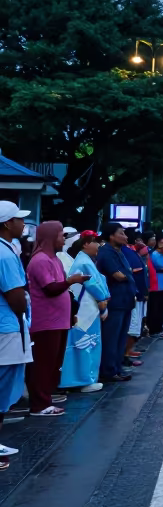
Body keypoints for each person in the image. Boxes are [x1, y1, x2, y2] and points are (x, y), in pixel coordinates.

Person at [24, 222, 90, 417]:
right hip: (46, 322)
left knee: (53, 363)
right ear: (52, 238)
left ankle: (46, 398)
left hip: (58, 320)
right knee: (43, 363)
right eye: (61, 235)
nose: (64, 239)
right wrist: (71, 281)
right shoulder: (41, 260)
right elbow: (50, 288)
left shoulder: (55, 259)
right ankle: (39, 404)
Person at [0, 201, 33, 469]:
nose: (23, 224)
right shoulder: (6, 254)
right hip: (7, 327)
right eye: (18, 219)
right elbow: (15, 296)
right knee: (4, 383)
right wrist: (23, 307)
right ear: (6, 224)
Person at [62, 232, 108, 393]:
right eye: (95, 242)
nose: (98, 246)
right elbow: (94, 284)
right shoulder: (83, 261)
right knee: (87, 343)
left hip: (87, 305)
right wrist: (104, 299)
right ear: (85, 244)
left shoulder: (83, 260)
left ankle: (81, 378)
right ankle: (85, 379)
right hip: (86, 306)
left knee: (82, 342)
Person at [97, 224, 137, 383]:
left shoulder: (119, 252)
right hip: (115, 301)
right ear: (111, 236)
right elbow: (119, 275)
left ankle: (117, 367)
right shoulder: (106, 252)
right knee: (111, 338)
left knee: (121, 337)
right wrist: (129, 274)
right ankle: (108, 370)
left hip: (125, 300)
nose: (126, 237)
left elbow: (126, 273)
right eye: (122, 234)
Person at [122, 232, 148, 364]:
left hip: (139, 293)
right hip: (133, 294)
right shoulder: (125, 251)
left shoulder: (131, 251)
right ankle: (125, 355)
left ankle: (128, 352)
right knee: (132, 325)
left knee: (136, 324)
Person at [146, 235, 163, 337]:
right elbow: (161, 266)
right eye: (162, 243)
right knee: (156, 308)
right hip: (158, 285)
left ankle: (159, 327)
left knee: (162, 308)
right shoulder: (155, 254)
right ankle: (155, 328)